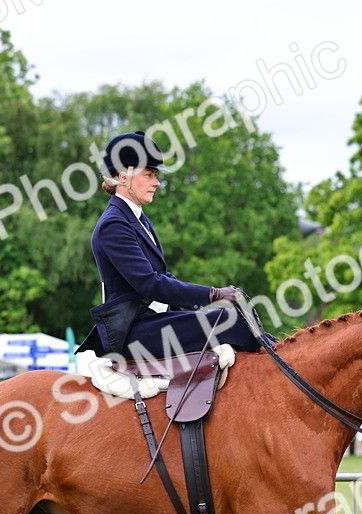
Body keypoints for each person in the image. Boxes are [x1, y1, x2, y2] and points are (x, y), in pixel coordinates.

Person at [78, 130, 261, 366]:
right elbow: (150, 283)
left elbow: (163, 277)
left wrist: (209, 300)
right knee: (230, 320)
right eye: (149, 174)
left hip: (157, 320)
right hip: (135, 333)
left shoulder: (138, 218)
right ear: (123, 177)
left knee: (240, 316)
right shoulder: (113, 224)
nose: (157, 182)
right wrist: (211, 294)